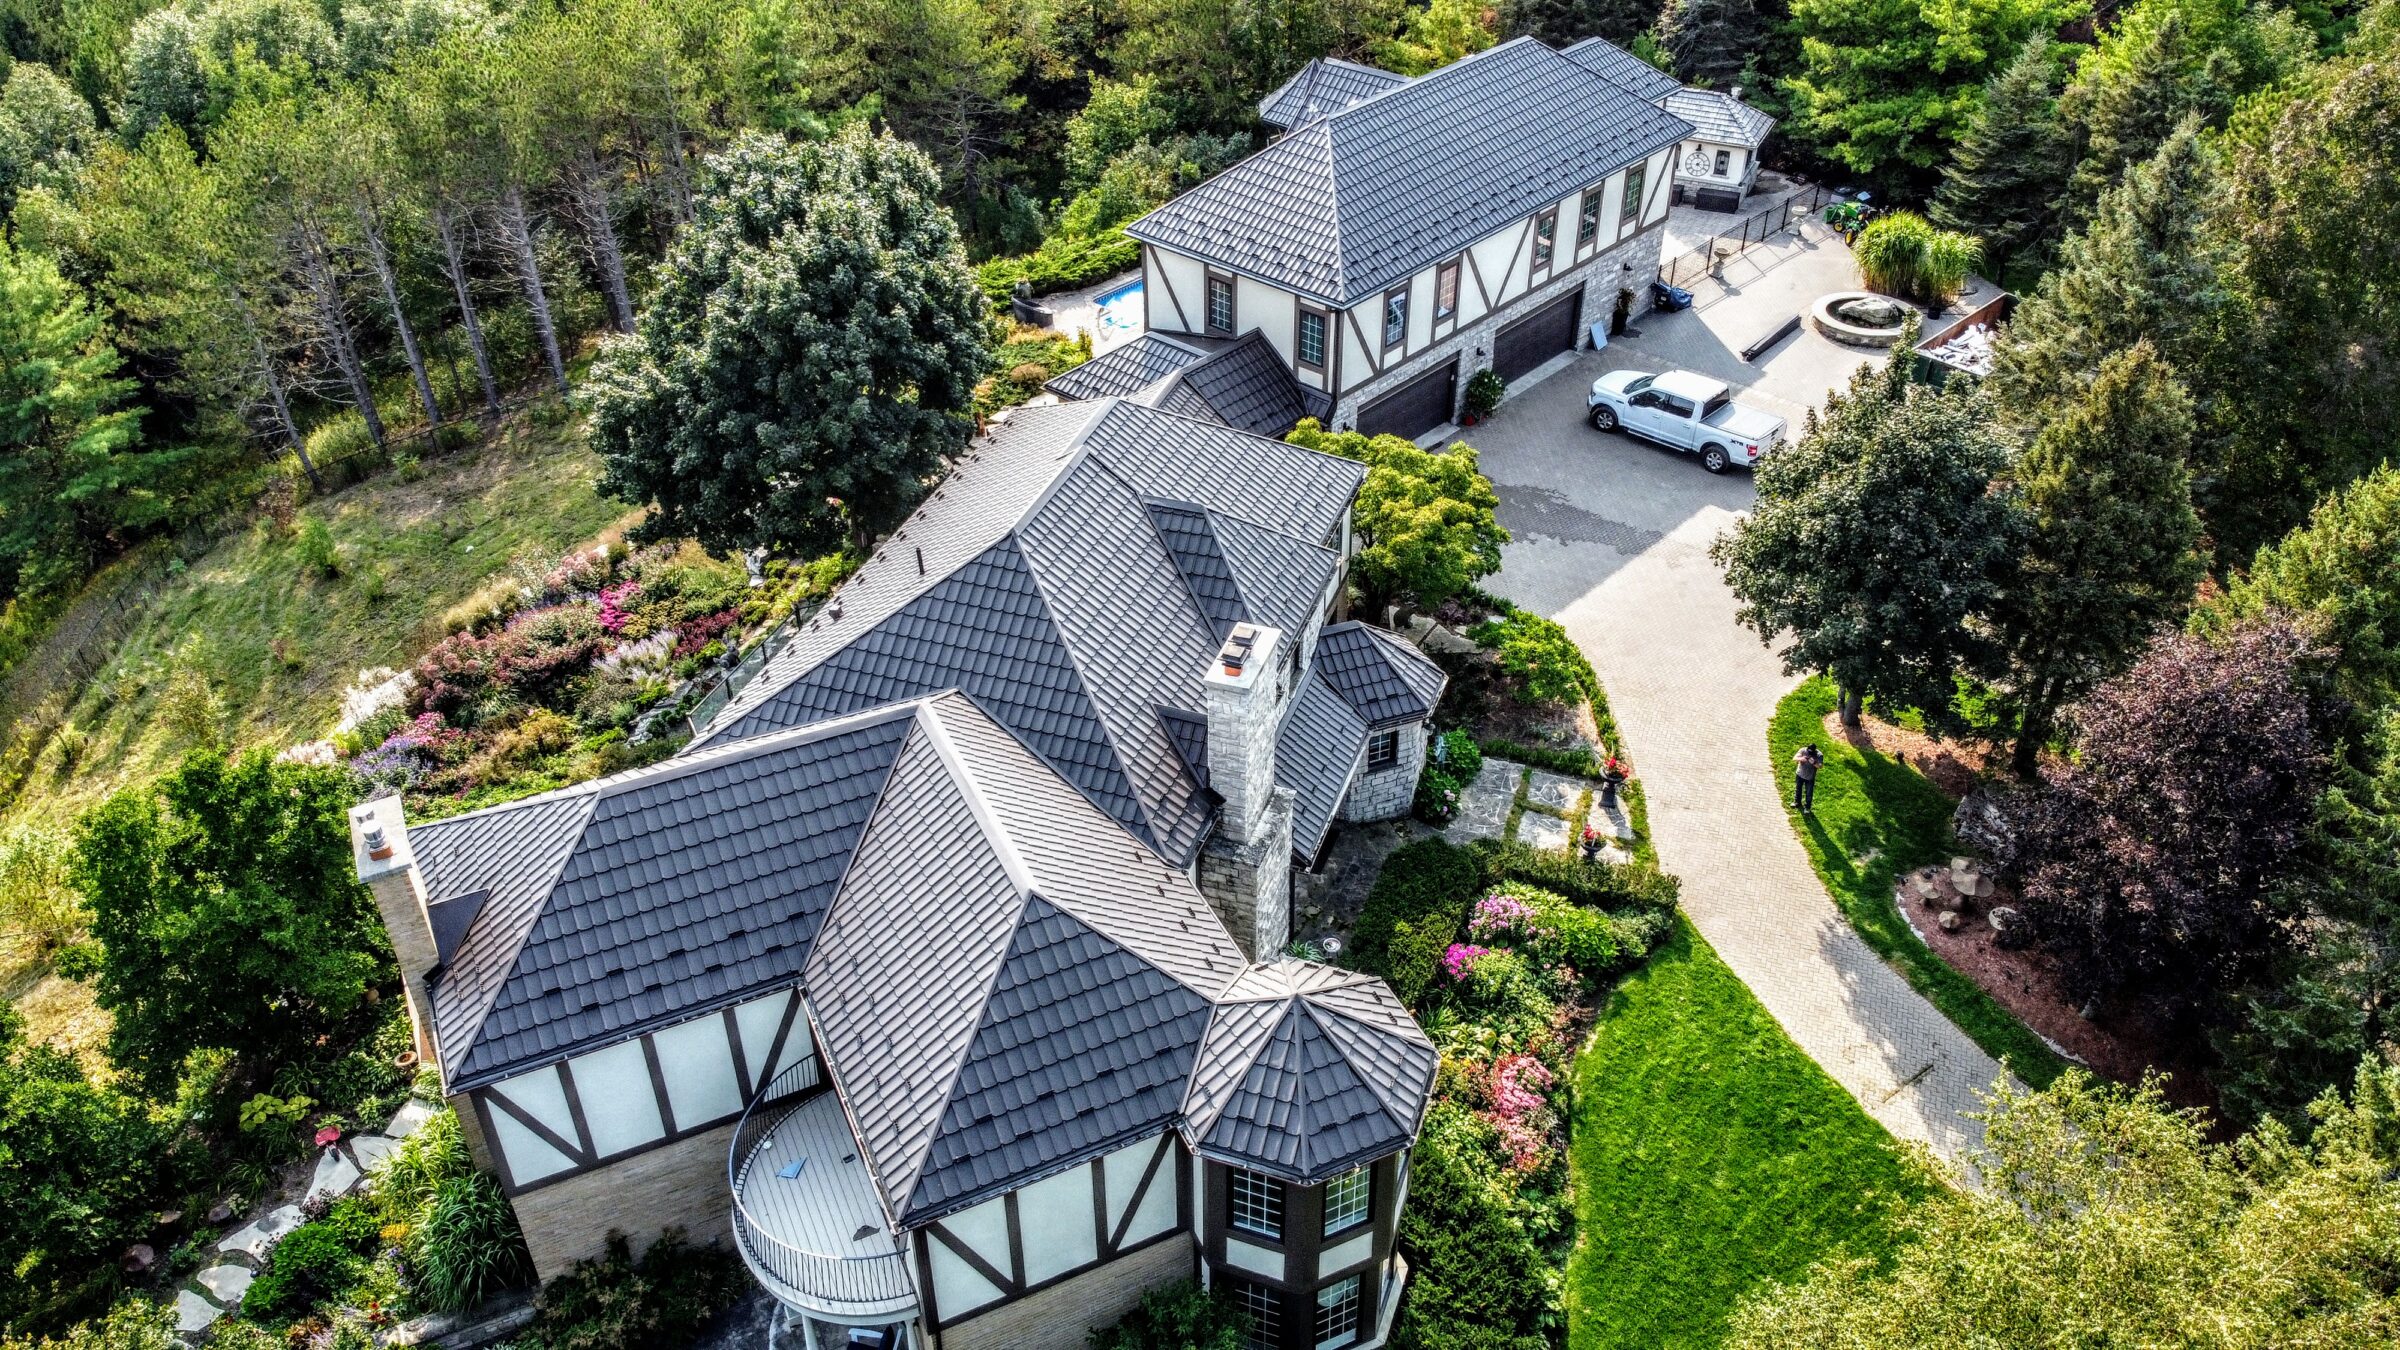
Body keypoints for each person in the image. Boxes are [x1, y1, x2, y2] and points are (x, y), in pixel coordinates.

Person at [1793, 743, 1823, 812]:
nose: (1809, 753)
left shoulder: (1819, 755)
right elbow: (1794, 758)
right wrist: (1801, 758)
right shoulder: (1803, 750)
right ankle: (1797, 802)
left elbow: (1820, 766)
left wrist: (1814, 762)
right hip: (1800, 774)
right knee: (1798, 789)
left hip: (1810, 777)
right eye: (1809, 751)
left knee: (1809, 793)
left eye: (1811, 752)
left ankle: (1807, 807)